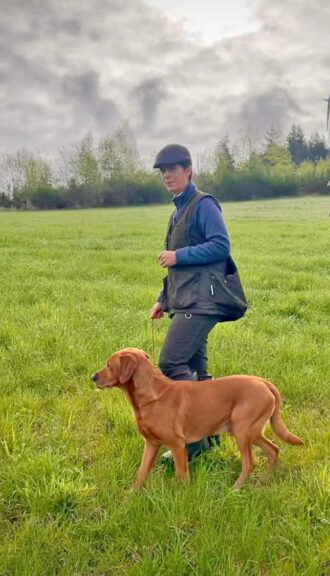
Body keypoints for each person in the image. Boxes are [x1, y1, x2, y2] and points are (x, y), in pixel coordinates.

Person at [149, 143, 247, 460]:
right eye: (163, 171)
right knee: (196, 369)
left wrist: (180, 255)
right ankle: (211, 433)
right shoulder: (179, 209)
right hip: (186, 299)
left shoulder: (203, 204)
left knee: (171, 363)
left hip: (202, 301)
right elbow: (177, 269)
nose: (167, 176)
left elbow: (221, 245)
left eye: (173, 169)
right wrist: (163, 299)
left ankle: (193, 442)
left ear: (188, 170)